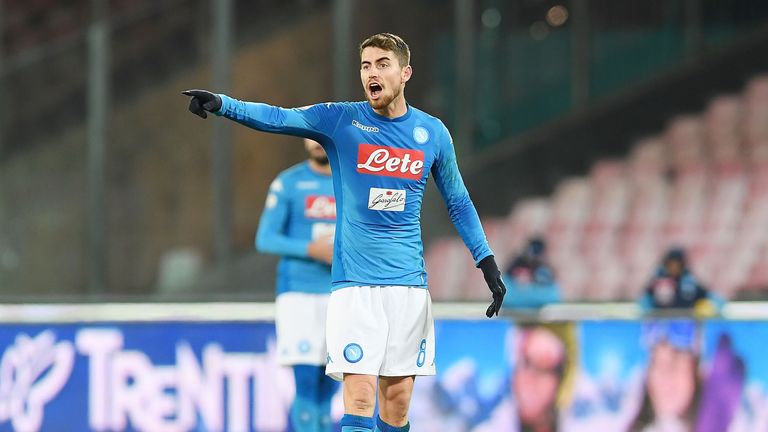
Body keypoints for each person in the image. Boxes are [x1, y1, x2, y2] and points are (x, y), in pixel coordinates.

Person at [182, 32, 506, 432]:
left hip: (408, 285)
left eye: (382, 64)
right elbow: (280, 117)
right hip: (355, 285)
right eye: (366, 65)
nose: (372, 72)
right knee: (359, 396)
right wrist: (223, 104)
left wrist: (485, 260)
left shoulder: (432, 133)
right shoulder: (342, 120)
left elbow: (458, 201)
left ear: (405, 73)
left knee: (398, 403)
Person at [255, 138, 338, 432]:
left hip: (342, 294)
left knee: (331, 387)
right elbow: (265, 238)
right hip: (299, 294)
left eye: (321, 135)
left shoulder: (353, 183)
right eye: (309, 135)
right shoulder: (289, 183)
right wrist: (310, 249)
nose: (316, 142)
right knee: (305, 383)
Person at [639, 248, 723, 315]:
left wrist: (713, 306)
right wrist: (647, 311)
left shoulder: (690, 281)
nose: (674, 267)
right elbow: (645, 299)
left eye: (677, 264)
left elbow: (708, 297)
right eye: (671, 264)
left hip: (686, 325)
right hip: (661, 324)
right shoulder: (657, 281)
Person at [502, 237, 561, 309]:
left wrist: (527, 291)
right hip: (513, 316)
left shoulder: (545, 271)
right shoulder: (515, 265)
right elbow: (505, 298)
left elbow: (554, 297)